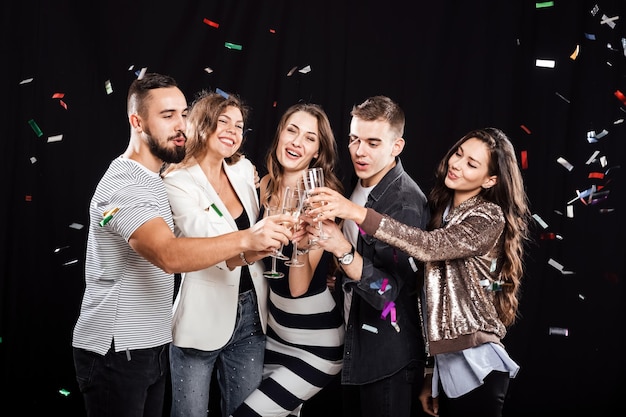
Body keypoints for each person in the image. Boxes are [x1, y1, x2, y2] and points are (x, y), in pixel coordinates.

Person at [71, 73, 292, 417]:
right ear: (137, 122)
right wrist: (247, 237)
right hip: (116, 349)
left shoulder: (153, 177)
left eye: (183, 113)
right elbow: (167, 254)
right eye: (167, 115)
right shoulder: (125, 184)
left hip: (150, 345)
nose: (180, 125)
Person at [309, 127, 532, 417]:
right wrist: (431, 373)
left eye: (471, 164)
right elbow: (425, 299)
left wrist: (356, 212)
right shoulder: (443, 210)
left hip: (479, 365)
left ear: (490, 180)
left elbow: (428, 247)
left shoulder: (488, 216)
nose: (456, 164)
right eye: (458, 154)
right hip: (447, 367)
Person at [303, 96, 430, 417]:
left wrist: (342, 250)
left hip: (386, 359)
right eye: (354, 139)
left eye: (373, 143)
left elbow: (388, 294)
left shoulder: (405, 203)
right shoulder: (356, 184)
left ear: (396, 146)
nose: (359, 151)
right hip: (354, 346)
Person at [161, 89, 276, 417]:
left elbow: (260, 218)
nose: (233, 131)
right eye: (223, 121)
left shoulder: (243, 169)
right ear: (201, 124)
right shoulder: (177, 181)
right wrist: (255, 240)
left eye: (239, 126)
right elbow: (205, 244)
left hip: (252, 315)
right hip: (200, 318)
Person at [230, 102, 345, 417]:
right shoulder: (264, 186)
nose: (297, 142)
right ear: (279, 134)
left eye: (309, 138)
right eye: (292, 130)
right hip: (275, 337)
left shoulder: (320, 201)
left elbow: (296, 287)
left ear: (317, 153)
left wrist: (304, 244)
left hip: (315, 346)